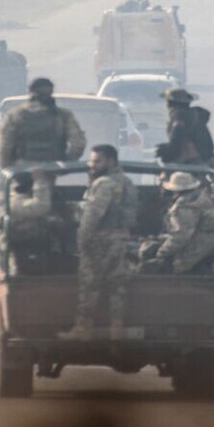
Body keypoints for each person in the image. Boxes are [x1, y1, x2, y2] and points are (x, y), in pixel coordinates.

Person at [60, 145, 138, 339]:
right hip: (120, 239)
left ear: (110, 161)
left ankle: (83, 329)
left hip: (100, 240)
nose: (92, 165)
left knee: (89, 285)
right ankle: (117, 330)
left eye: (97, 161)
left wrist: (82, 239)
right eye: (91, 161)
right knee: (117, 287)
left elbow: (93, 215)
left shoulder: (104, 184)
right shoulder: (126, 181)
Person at [0, 78, 86, 169]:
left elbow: (5, 146)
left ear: (30, 92)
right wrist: (65, 162)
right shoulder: (63, 115)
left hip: (22, 169)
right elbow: (78, 144)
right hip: (52, 167)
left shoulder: (16, 115)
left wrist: (9, 168)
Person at [139, 172, 214, 274]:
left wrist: (161, 252)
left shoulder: (184, 205)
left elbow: (181, 236)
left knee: (147, 268)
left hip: (195, 248)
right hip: (207, 244)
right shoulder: (202, 197)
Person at [156, 88, 214, 170]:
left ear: (170, 103)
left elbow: (176, 140)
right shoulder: (195, 116)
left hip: (193, 165)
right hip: (206, 163)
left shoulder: (180, 117)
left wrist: (167, 153)